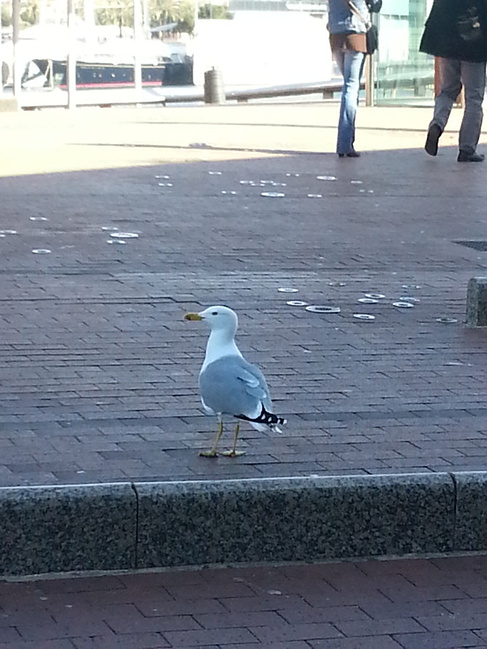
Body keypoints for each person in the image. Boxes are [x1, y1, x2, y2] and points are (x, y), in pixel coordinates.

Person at [420, 0, 487, 162]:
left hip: (446, 42)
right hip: (474, 43)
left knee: (448, 90)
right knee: (474, 97)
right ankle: (467, 148)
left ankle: (437, 124)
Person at [327, 0, 381, 158]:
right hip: (356, 34)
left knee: (347, 86)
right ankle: (345, 144)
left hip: (335, 34)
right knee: (351, 87)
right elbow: (374, 4)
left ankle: (347, 141)